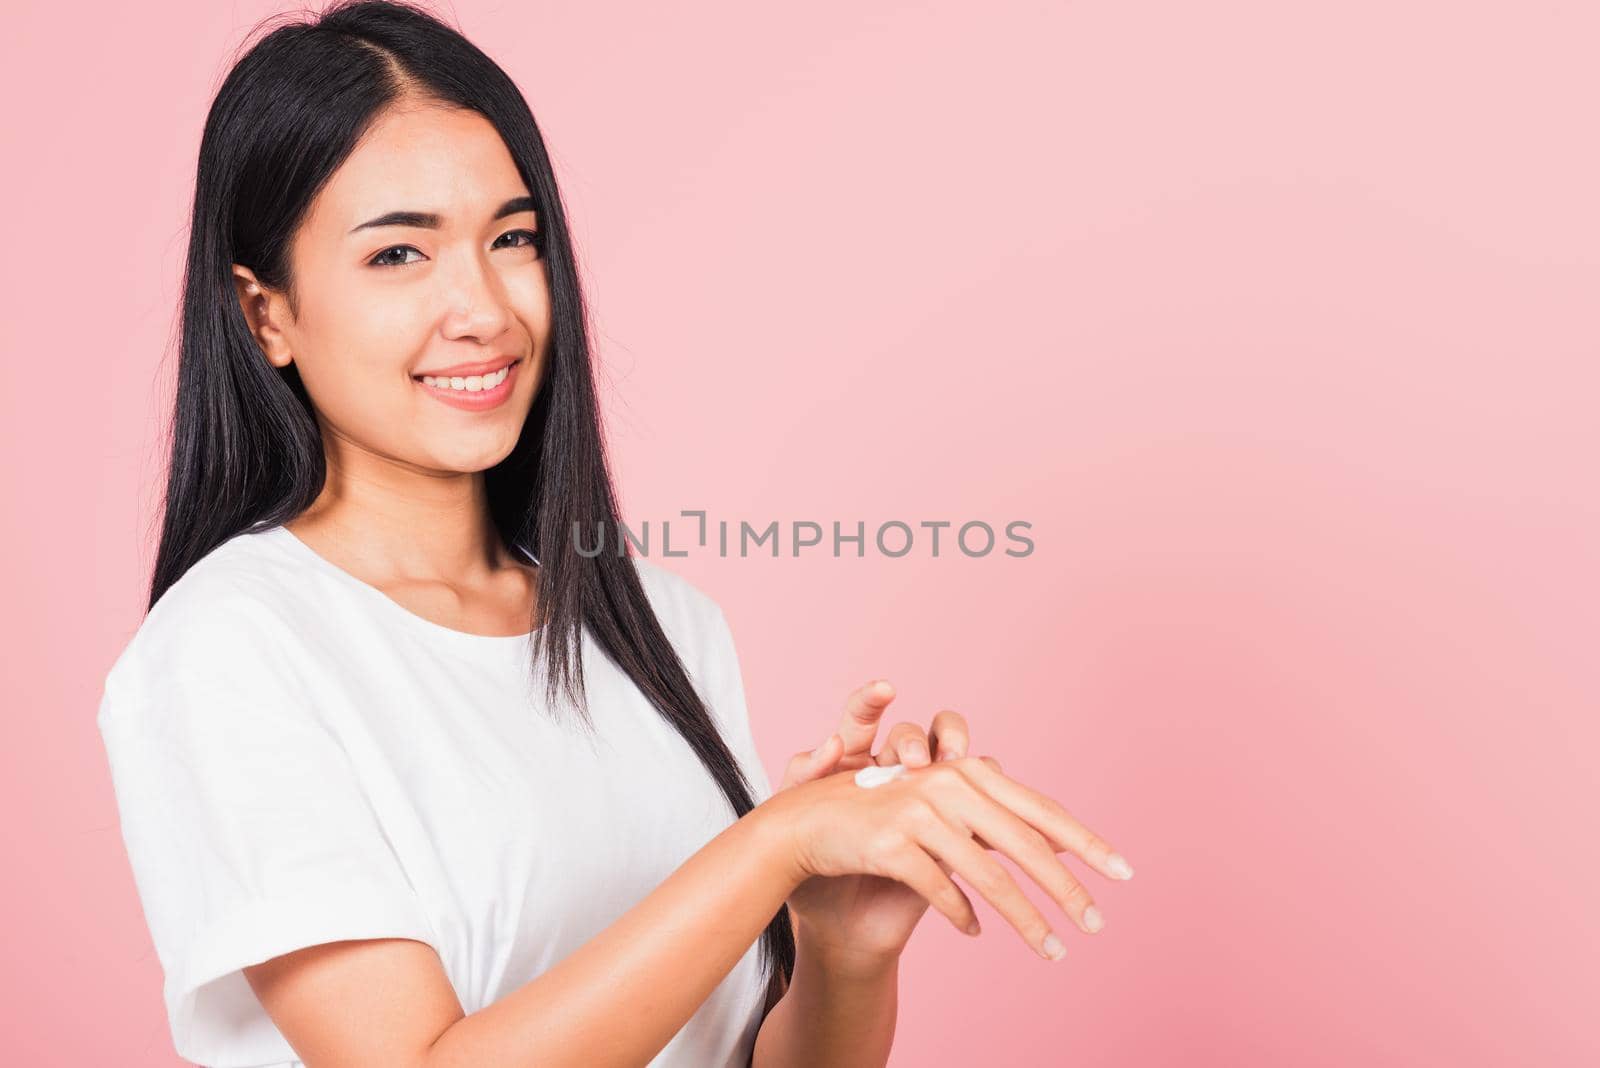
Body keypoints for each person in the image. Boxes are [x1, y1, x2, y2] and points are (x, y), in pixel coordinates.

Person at [96, 3, 1135, 1065]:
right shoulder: (232, 648)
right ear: (264, 313)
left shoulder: (661, 624)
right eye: (399, 253)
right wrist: (771, 848)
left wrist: (839, 948)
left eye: (513, 239)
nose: (484, 309)